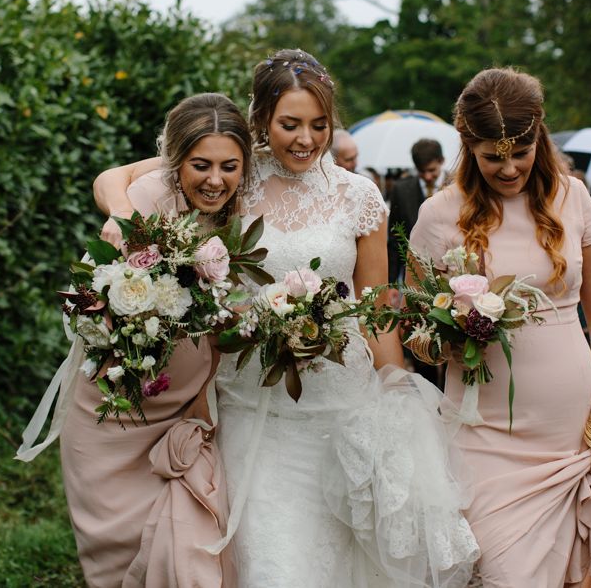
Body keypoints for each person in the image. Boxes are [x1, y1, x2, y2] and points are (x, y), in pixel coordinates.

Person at [93, 49, 479, 587]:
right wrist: (119, 212)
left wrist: (394, 388)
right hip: (257, 412)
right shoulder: (230, 176)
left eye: (319, 125)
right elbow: (117, 176)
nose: (306, 139)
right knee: (272, 569)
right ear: (262, 120)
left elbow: (374, 308)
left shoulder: (359, 196)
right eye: (289, 124)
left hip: (343, 407)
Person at [410, 67, 591, 587]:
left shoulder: (573, 198)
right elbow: (416, 329)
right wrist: (444, 335)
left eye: (520, 152)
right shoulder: (437, 215)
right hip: (481, 430)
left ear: (538, 137)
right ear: (467, 144)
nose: (509, 168)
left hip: (567, 430)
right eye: (493, 157)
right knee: (506, 574)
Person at [19, 93, 251, 587]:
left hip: (186, 408)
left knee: (186, 538)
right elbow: (108, 179)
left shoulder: (243, 201)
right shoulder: (151, 194)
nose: (216, 180)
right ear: (177, 161)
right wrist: (123, 212)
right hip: (115, 407)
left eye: (230, 166)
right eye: (201, 165)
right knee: (116, 543)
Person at [388, 139, 447, 387]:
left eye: (432, 171)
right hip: (417, 279)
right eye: (422, 172)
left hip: (451, 274)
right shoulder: (403, 190)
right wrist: (392, 281)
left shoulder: (458, 183)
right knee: (422, 337)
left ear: (442, 163)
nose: (428, 176)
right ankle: (431, 389)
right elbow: (394, 240)